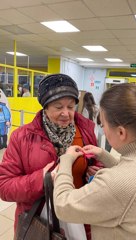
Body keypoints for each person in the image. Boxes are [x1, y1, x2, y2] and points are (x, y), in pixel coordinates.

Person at [53, 83, 136, 240]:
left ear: (121, 132)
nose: (103, 129)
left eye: (103, 125)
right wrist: (103, 155)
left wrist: (65, 161)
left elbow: (63, 205)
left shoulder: (118, 182)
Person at [0, 73, 101, 239]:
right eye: (58, 107)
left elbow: (96, 164)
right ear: (45, 107)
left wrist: (94, 172)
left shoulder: (85, 130)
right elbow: (4, 187)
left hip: (80, 219)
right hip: (39, 223)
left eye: (70, 106)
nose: (66, 113)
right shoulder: (22, 137)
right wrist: (41, 179)